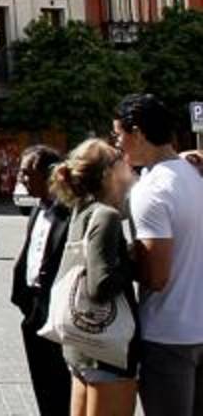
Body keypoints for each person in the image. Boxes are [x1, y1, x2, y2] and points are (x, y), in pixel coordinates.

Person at [116, 94, 203, 416]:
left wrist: (121, 257)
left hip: (168, 333)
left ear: (137, 133)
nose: (118, 144)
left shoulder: (151, 190)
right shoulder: (195, 172)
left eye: (119, 135)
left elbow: (157, 276)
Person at [50, 138, 140, 416]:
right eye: (119, 158)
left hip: (82, 348)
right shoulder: (106, 215)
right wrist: (135, 262)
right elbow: (100, 284)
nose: (127, 162)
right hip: (107, 352)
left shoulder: (82, 210)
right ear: (107, 173)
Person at [10, 145, 71, 416]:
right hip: (34, 309)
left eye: (26, 173)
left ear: (50, 174)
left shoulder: (71, 212)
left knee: (62, 384)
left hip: (60, 311)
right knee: (43, 382)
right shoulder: (36, 210)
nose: (21, 179)